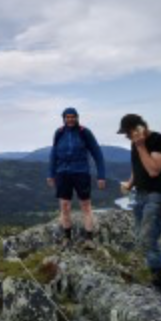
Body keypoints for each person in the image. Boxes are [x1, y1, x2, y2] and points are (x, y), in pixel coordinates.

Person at [118, 113, 161, 293]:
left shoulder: (160, 140)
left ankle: (160, 286)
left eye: (128, 132)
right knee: (142, 237)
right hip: (140, 194)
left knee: (148, 239)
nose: (128, 136)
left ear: (139, 128)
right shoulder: (135, 144)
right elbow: (139, 167)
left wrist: (141, 145)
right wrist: (130, 183)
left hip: (157, 195)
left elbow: (153, 170)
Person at [47, 107, 106, 250]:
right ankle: (67, 238)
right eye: (67, 117)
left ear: (77, 117)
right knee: (64, 206)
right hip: (62, 173)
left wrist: (101, 175)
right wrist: (50, 173)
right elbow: (53, 154)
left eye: (73, 116)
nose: (70, 119)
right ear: (64, 118)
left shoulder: (84, 132)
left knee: (85, 206)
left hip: (81, 173)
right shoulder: (59, 133)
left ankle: (89, 239)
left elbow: (97, 153)